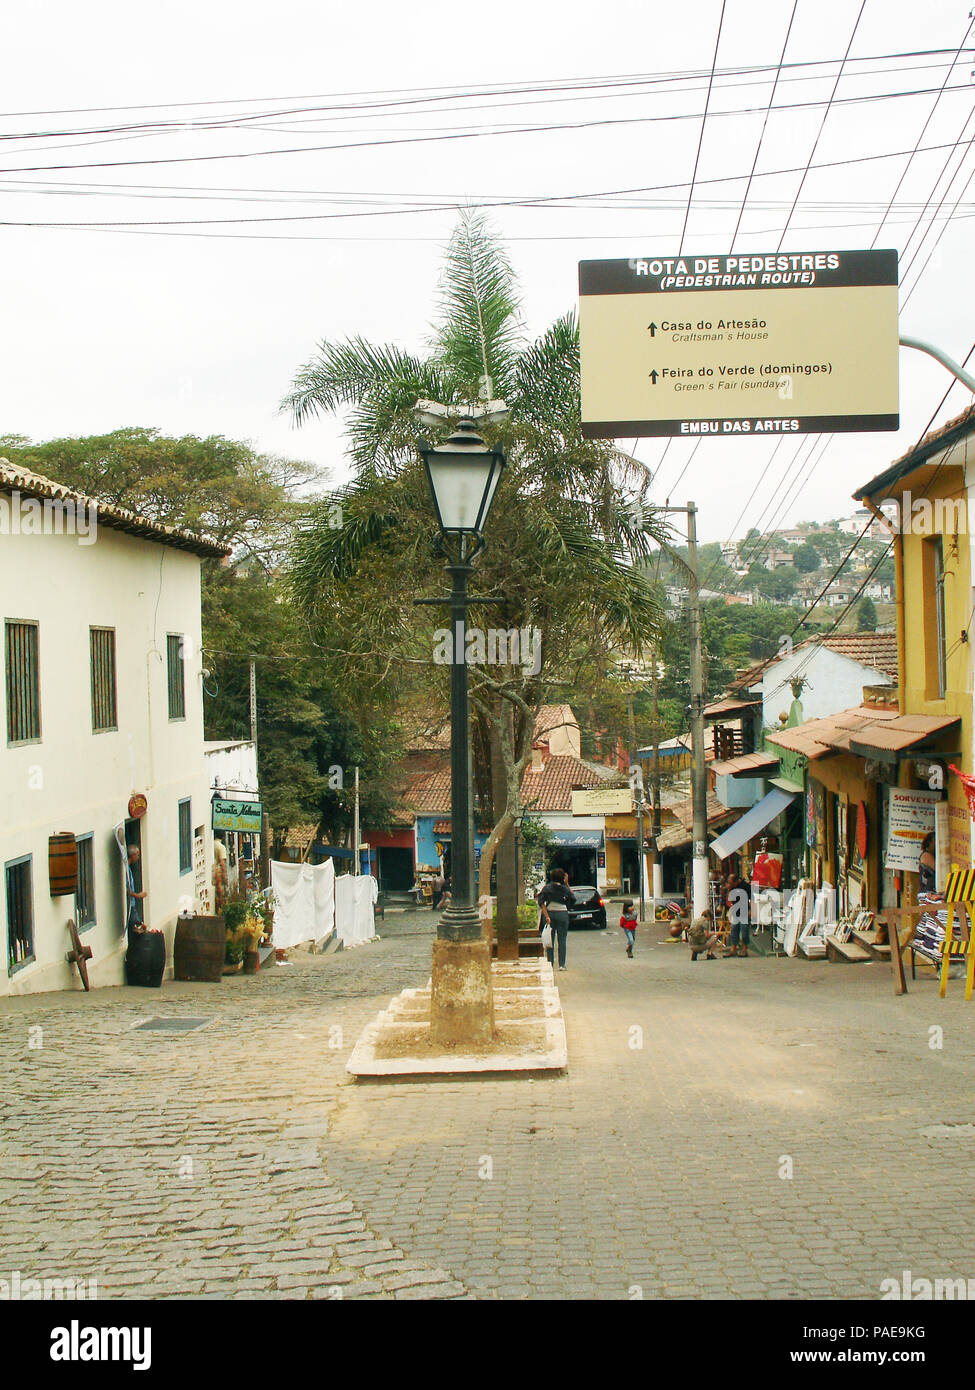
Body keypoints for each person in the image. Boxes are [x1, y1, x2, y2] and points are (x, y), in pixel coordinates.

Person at [537, 868, 575, 972]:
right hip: (562, 914)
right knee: (562, 940)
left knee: (550, 940)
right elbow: (573, 898)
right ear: (563, 878)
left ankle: (550, 963)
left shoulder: (547, 888)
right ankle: (562, 965)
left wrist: (547, 916)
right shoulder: (564, 889)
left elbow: (541, 902)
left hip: (550, 913)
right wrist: (567, 884)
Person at [725, 870, 751, 957]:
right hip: (736, 910)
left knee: (744, 931)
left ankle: (744, 949)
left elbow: (752, 898)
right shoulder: (732, 887)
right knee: (734, 930)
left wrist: (751, 910)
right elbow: (730, 899)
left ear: (736, 881)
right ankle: (733, 949)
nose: (730, 884)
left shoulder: (745, 886)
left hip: (744, 911)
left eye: (731, 883)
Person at [125, 844, 148, 934]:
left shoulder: (128, 869)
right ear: (133, 855)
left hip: (132, 905)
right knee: (136, 929)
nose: (138, 857)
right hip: (130, 905)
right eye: (137, 855)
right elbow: (125, 890)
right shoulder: (126, 871)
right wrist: (138, 895)